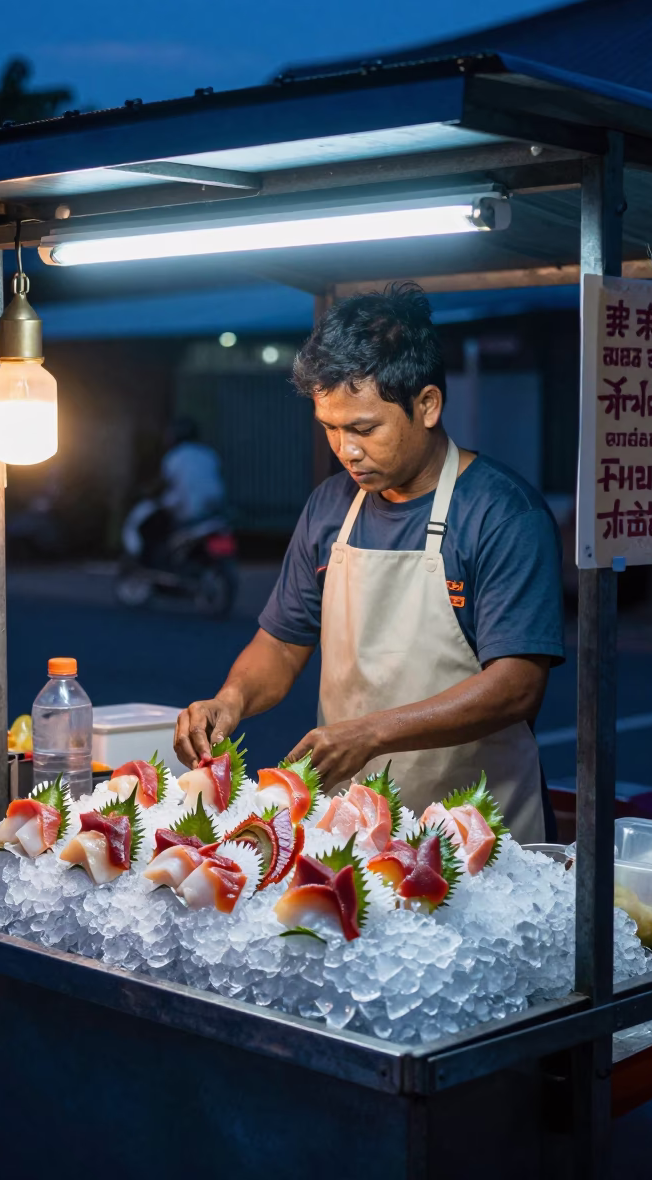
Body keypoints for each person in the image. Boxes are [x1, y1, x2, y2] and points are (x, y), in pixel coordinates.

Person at [174, 284, 565, 842]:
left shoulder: (503, 513)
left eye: (363, 428)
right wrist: (230, 699)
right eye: (330, 428)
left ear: (427, 405)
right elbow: (283, 644)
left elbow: (516, 685)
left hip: (478, 841)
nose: (346, 450)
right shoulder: (330, 506)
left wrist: (373, 733)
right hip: (352, 837)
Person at [123, 417, 226, 562]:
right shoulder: (208, 454)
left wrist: (144, 492)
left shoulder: (174, 457)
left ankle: (155, 558)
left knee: (154, 514)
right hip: (215, 512)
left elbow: (162, 484)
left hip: (189, 512)